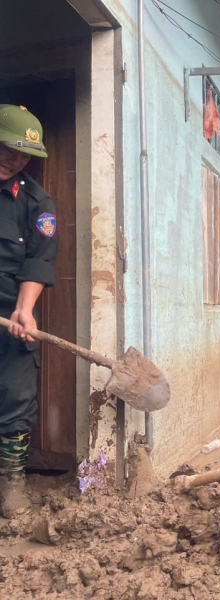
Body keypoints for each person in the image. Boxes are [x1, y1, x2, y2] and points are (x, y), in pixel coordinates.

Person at [0, 105, 57, 517]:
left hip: (10, 307)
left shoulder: (37, 201)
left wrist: (24, 311)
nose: (13, 159)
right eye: (7, 148)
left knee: (17, 395)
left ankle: (12, 484)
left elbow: (38, 260)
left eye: (22, 154)